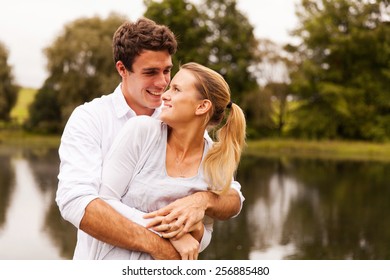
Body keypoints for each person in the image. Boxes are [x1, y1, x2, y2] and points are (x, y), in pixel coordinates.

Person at [56, 18, 244, 260]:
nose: (162, 83)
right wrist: (163, 241)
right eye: (150, 72)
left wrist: (202, 202)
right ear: (122, 69)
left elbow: (231, 198)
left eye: (166, 71)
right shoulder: (90, 118)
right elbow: (77, 201)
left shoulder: (180, 119)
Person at [89, 62, 246, 259]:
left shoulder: (215, 159)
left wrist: (196, 227)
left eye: (176, 89)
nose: (164, 95)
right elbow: (104, 202)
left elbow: (203, 238)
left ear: (202, 106)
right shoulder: (141, 131)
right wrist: (170, 231)